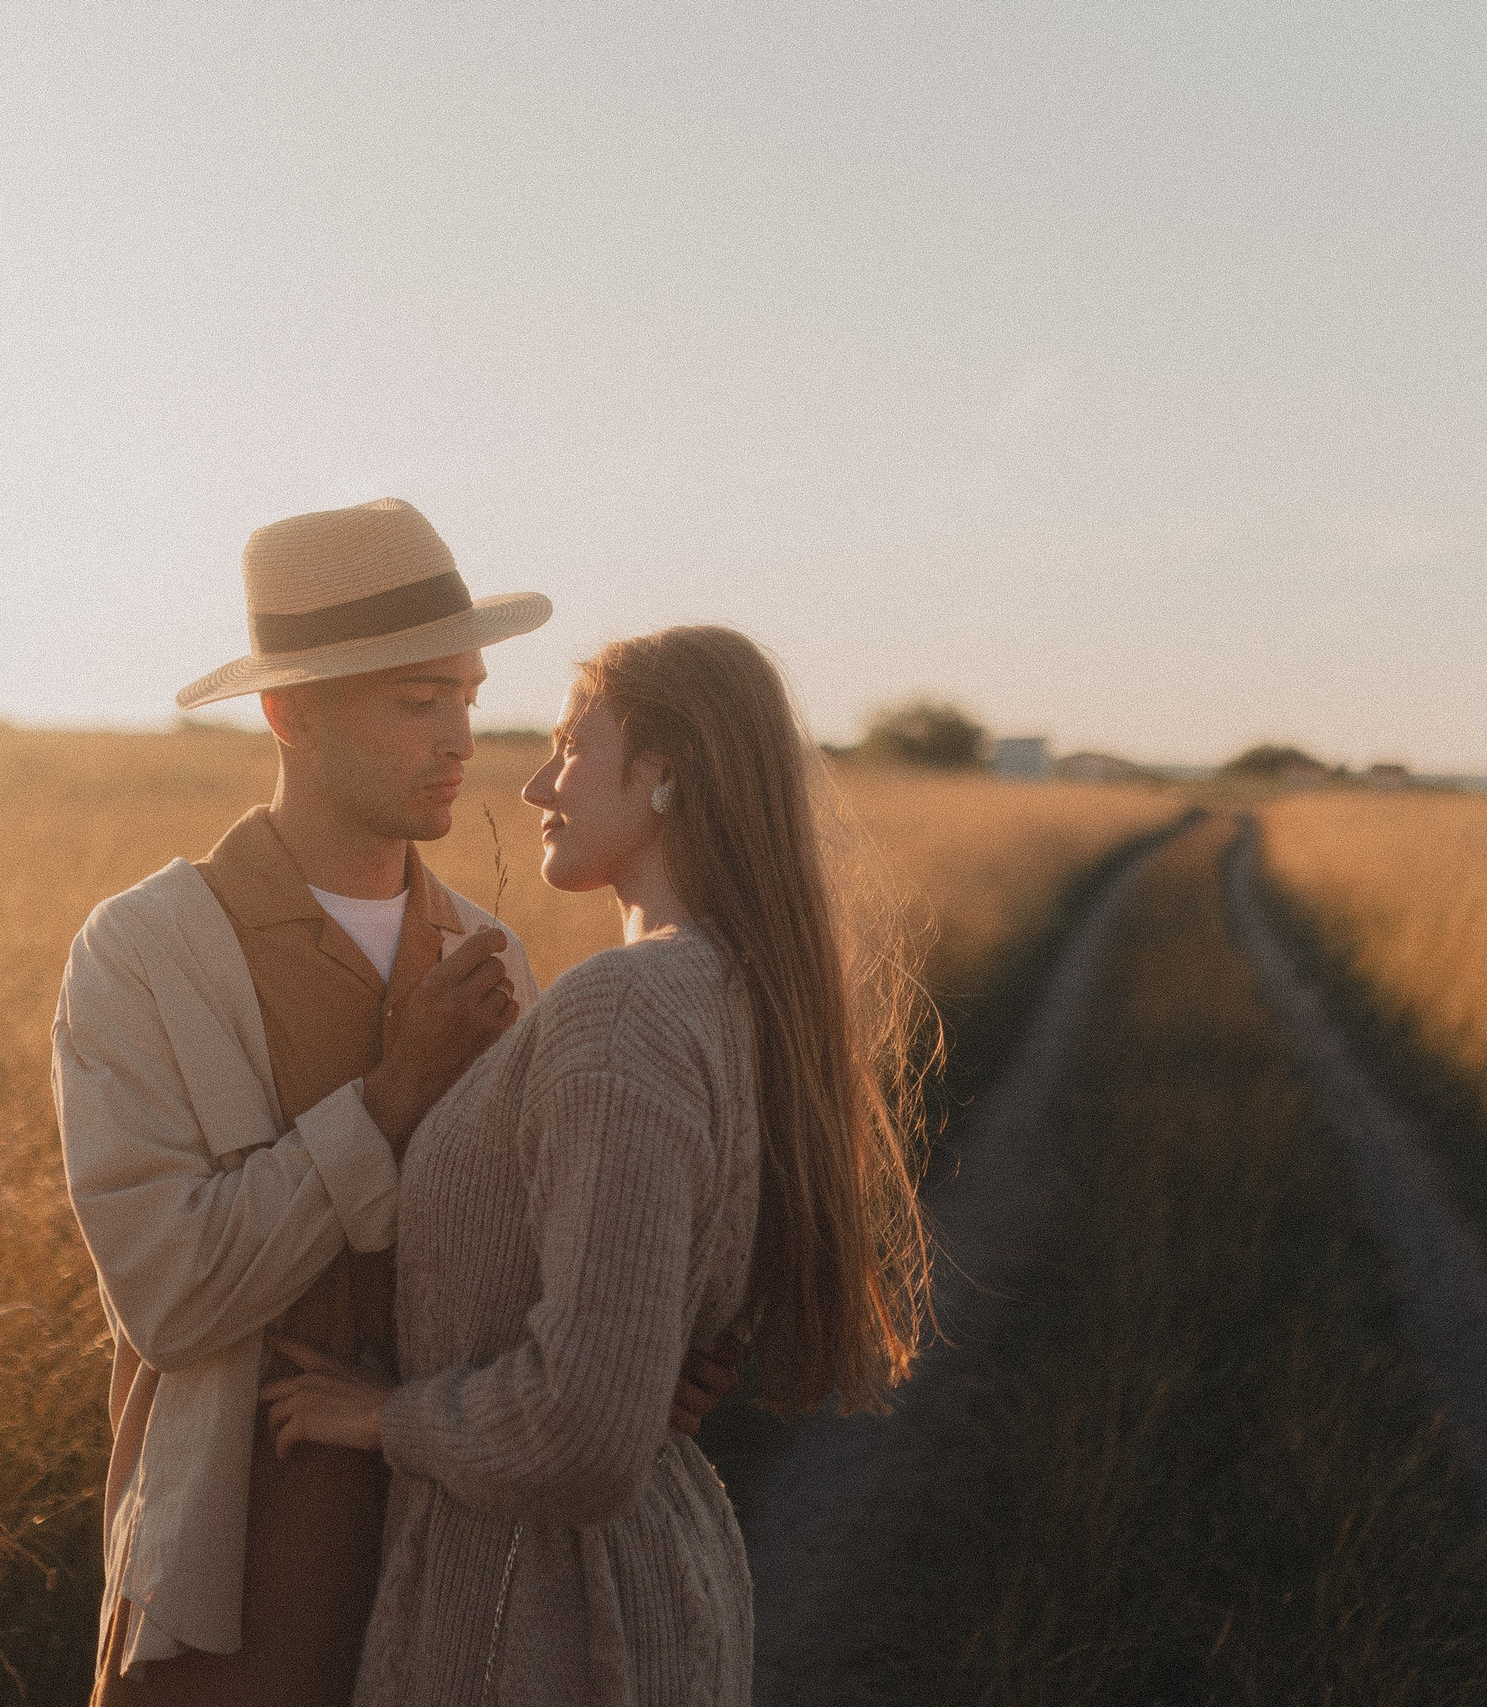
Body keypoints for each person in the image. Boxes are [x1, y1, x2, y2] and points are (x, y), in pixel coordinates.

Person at [52, 501, 741, 1707]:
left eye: (468, 696)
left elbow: (530, 1264)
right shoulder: (147, 951)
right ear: (291, 712)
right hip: (236, 1579)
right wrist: (391, 1097)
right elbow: (168, 1292)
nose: (462, 738)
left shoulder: (488, 954)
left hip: (471, 1573)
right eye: (418, 701)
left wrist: (645, 1354)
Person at [262, 624, 936, 1705]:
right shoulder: (723, 989)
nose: (533, 785)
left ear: (663, 774)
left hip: (544, 1622)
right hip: (620, 1595)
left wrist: (379, 1415)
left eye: (572, 747)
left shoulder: (625, 1011)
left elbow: (583, 1429)